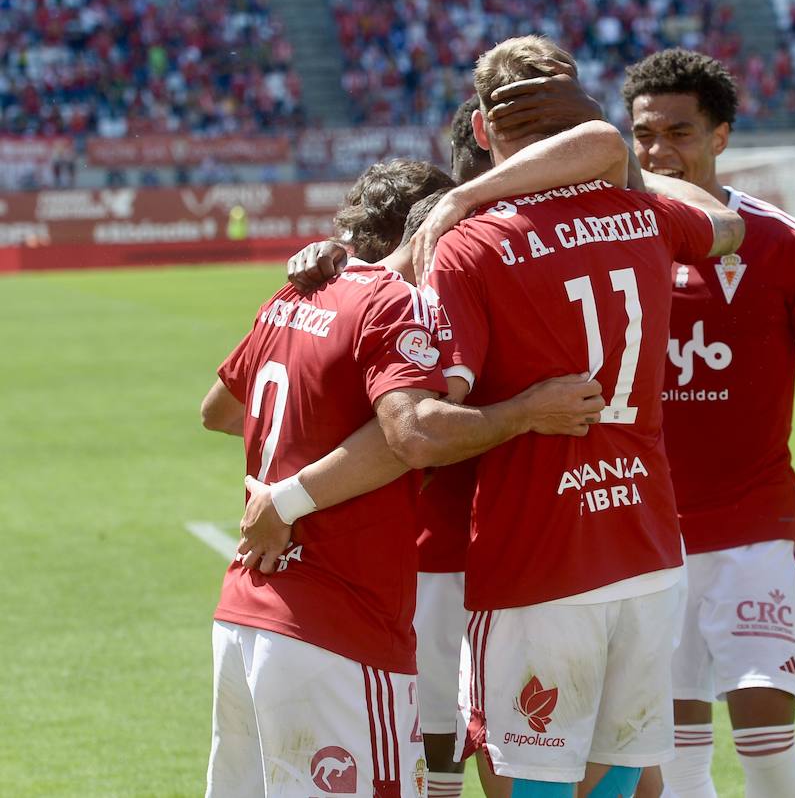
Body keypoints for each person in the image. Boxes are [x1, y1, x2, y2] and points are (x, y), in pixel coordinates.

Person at [434, 47, 795, 797]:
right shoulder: (637, 220)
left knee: (755, 743)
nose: (660, 150)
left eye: (679, 134)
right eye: (643, 135)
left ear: (721, 136)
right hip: (642, 540)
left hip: (718, 532)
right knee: (664, 765)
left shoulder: (775, 241)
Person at [199, 158, 605, 798]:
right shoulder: (399, 306)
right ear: (427, 235)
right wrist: (526, 410)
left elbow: (219, 411)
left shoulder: (297, 292)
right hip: (339, 622)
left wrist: (314, 430)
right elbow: (413, 436)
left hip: (247, 612)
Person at [280, 103, 635, 798]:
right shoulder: (420, 284)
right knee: (477, 747)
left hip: (519, 543)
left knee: (551, 749)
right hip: (470, 549)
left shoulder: (477, 253)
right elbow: (412, 436)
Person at [422, 35, 744, 798]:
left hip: (540, 558)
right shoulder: (646, 213)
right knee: (618, 786)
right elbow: (726, 224)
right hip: (645, 549)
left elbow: (430, 422)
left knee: (530, 785)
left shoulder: (469, 245)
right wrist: (629, 170)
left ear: (478, 129)